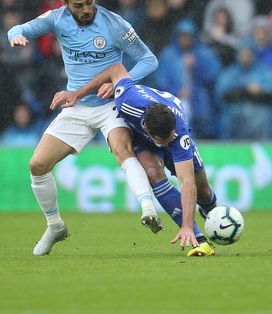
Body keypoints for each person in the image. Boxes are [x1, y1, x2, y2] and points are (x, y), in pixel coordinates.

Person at [7, 0, 163, 256]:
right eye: (79, 5)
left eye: (90, 2)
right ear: (64, 3)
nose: (87, 9)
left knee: (122, 150)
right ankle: (55, 225)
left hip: (110, 105)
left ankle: (148, 208)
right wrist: (15, 35)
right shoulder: (56, 19)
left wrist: (119, 82)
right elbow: (19, 28)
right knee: (37, 165)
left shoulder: (115, 24)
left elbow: (149, 59)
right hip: (76, 106)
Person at [50, 64, 218, 256]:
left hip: (171, 129)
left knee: (202, 189)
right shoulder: (127, 99)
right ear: (145, 127)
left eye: (169, 138)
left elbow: (186, 182)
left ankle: (212, 213)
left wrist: (170, 140)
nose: (167, 143)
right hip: (141, 140)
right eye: (163, 141)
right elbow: (116, 69)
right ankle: (199, 239)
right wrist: (78, 93)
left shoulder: (178, 135)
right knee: (152, 171)